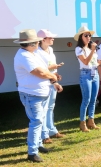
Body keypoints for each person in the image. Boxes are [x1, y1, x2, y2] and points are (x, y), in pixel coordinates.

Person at [14, 29, 63, 162]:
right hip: (32, 95)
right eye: (36, 41)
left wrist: (54, 82)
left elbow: (44, 70)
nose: (38, 43)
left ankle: (38, 145)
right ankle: (32, 153)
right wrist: (53, 76)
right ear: (32, 43)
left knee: (39, 120)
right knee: (36, 122)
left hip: (39, 93)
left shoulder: (31, 53)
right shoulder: (24, 56)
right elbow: (40, 72)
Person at [36, 29, 65, 143]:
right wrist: (51, 69)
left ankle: (52, 130)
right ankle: (44, 135)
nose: (53, 39)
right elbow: (38, 70)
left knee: (51, 107)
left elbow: (51, 66)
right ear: (43, 39)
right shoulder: (37, 52)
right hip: (43, 82)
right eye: (50, 37)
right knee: (43, 109)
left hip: (52, 81)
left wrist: (55, 73)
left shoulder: (50, 49)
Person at [74, 26, 100, 131]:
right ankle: (82, 123)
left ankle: (91, 121)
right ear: (81, 37)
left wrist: (99, 63)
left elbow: (93, 62)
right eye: (86, 35)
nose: (89, 37)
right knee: (86, 99)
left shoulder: (90, 48)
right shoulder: (79, 49)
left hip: (95, 73)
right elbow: (85, 62)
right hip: (85, 74)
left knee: (93, 99)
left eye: (90, 35)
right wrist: (93, 51)